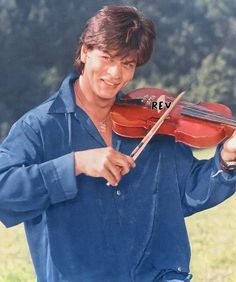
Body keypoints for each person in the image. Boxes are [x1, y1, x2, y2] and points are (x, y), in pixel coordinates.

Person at [0, 5, 235, 282]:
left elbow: (190, 193)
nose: (115, 73)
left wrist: (226, 159)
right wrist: (75, 164)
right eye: (107, 57)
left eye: (128, 64)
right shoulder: (38, 127)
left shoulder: (154, 122)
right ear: (84, 52)